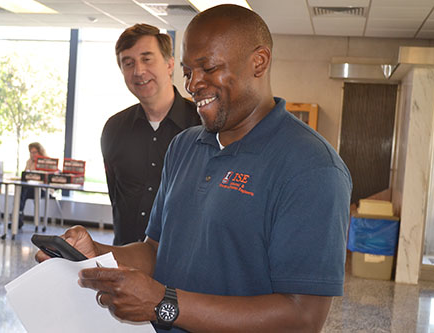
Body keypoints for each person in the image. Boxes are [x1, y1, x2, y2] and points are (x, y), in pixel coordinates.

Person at [37, 5, 352, 332]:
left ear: (259, 61)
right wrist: (95, 254)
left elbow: (302, 318)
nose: (193, 84)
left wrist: (164, 303)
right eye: (188, 72)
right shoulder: (184, 146)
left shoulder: (312, 167)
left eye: (208, 67)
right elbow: (156, 251)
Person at [101, 24, 201, 245]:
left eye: (147, 59)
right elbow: (116, 197)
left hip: (181, 268)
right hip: (125, 262)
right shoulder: (114, 129)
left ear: (169, 64)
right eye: (128, 63)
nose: (138, 71)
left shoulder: (201, 125)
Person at [13, 142, 47, 229]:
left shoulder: (46, 162)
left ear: (40, 152)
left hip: (42, 190)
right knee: (20, 191)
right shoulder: (29, 162)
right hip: (29, 188)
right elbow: (25, 176)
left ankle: (18, 216)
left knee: (22, 193)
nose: (33, 155)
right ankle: (18, 216)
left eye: (35, 152)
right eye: (31, 152)